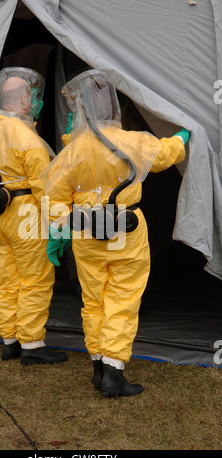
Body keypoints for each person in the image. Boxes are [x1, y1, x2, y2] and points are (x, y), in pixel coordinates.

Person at [40, 69, 190, 396]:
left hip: (85, 237)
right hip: (126, 232)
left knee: (93, 300)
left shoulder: (72, 152)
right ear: (112, 105)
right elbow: (167, 154)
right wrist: (182, 136)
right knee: (122, 300)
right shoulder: (130, 141)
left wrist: (62, 226)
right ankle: (113, 372)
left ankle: (97, 365)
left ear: (79, 109)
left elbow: (51, 197)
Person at [0, 67, 67, 366]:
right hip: (26, 213)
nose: (34, 102)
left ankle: (10, 340)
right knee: (35, 279)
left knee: (7, 279)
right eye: (31, 97)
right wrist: (58, 223)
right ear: (24, 100)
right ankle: (32, 345)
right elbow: (46, 184)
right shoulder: (25, 135)